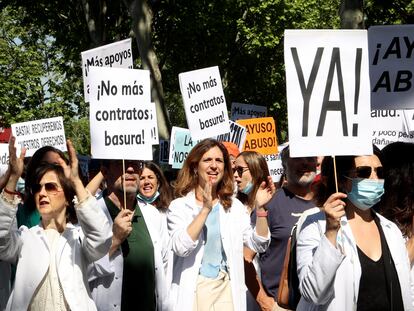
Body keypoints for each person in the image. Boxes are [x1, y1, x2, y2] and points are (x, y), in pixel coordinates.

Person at [0, 137, 112, 310]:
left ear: (68, 199)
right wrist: (13, 177)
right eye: (38, 188)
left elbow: (102, 239)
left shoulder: (79, 239)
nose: (42, 193)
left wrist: (76, 182)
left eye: (51, 187)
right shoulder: (24, 238)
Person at [296, 150, 413, 310]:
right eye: (364, 172)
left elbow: (407, 290)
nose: (375, 179)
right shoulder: (314, 224)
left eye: (379, 172)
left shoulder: (391, 230)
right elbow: (314, 294)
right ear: (343, 180)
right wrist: (330, 232)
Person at [167, 138, 272, 311]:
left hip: (227, 292)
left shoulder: (234, 206)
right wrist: (205, 210)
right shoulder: (179, 206)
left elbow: (258, 244)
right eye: (207, 160)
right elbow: (181, 247)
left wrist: (261, 210)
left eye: (219, 161)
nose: (214, 166)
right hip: (195, 292)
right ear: (194, 166)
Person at [89, 159, 170, 311]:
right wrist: (115, 240)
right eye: (122, 164)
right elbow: (80, 271)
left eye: (136, 164)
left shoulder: (152, 215)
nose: (131, 169)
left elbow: (164, 267)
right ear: (105, 172)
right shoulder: (91, 214)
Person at [258, 146, 317, 308]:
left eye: (310, 158)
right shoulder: (269, 204)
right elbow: (246, 257)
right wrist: (265, 302)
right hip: (281, 304)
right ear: (284, 166)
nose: (305, 164)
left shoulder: (330, 204)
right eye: (298, 158)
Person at [234, 151, 275, 311]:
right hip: (243, 293)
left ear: (256, 170)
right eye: (233, 171)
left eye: (240, 170)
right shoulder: (234, 208)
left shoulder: (275, 205)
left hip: (271, 292)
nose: (235, 176)